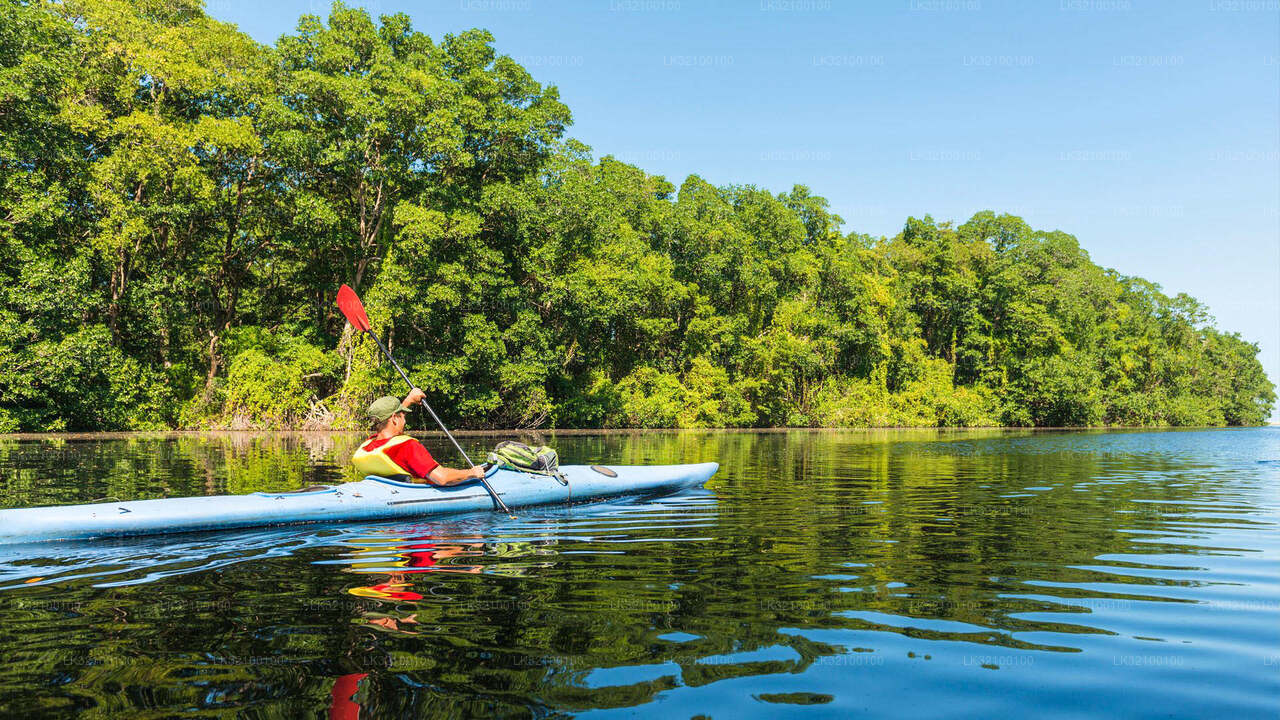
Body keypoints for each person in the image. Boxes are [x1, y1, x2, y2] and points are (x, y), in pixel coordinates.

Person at [351, 389, 486, 485]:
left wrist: (409, 400)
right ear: (394, 418)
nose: (405, 421)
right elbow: (442, 478)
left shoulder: (369, 444)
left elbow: (390, 421)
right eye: (403, 416)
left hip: (386, 493)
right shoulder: (407, 446)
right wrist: (471, 472)